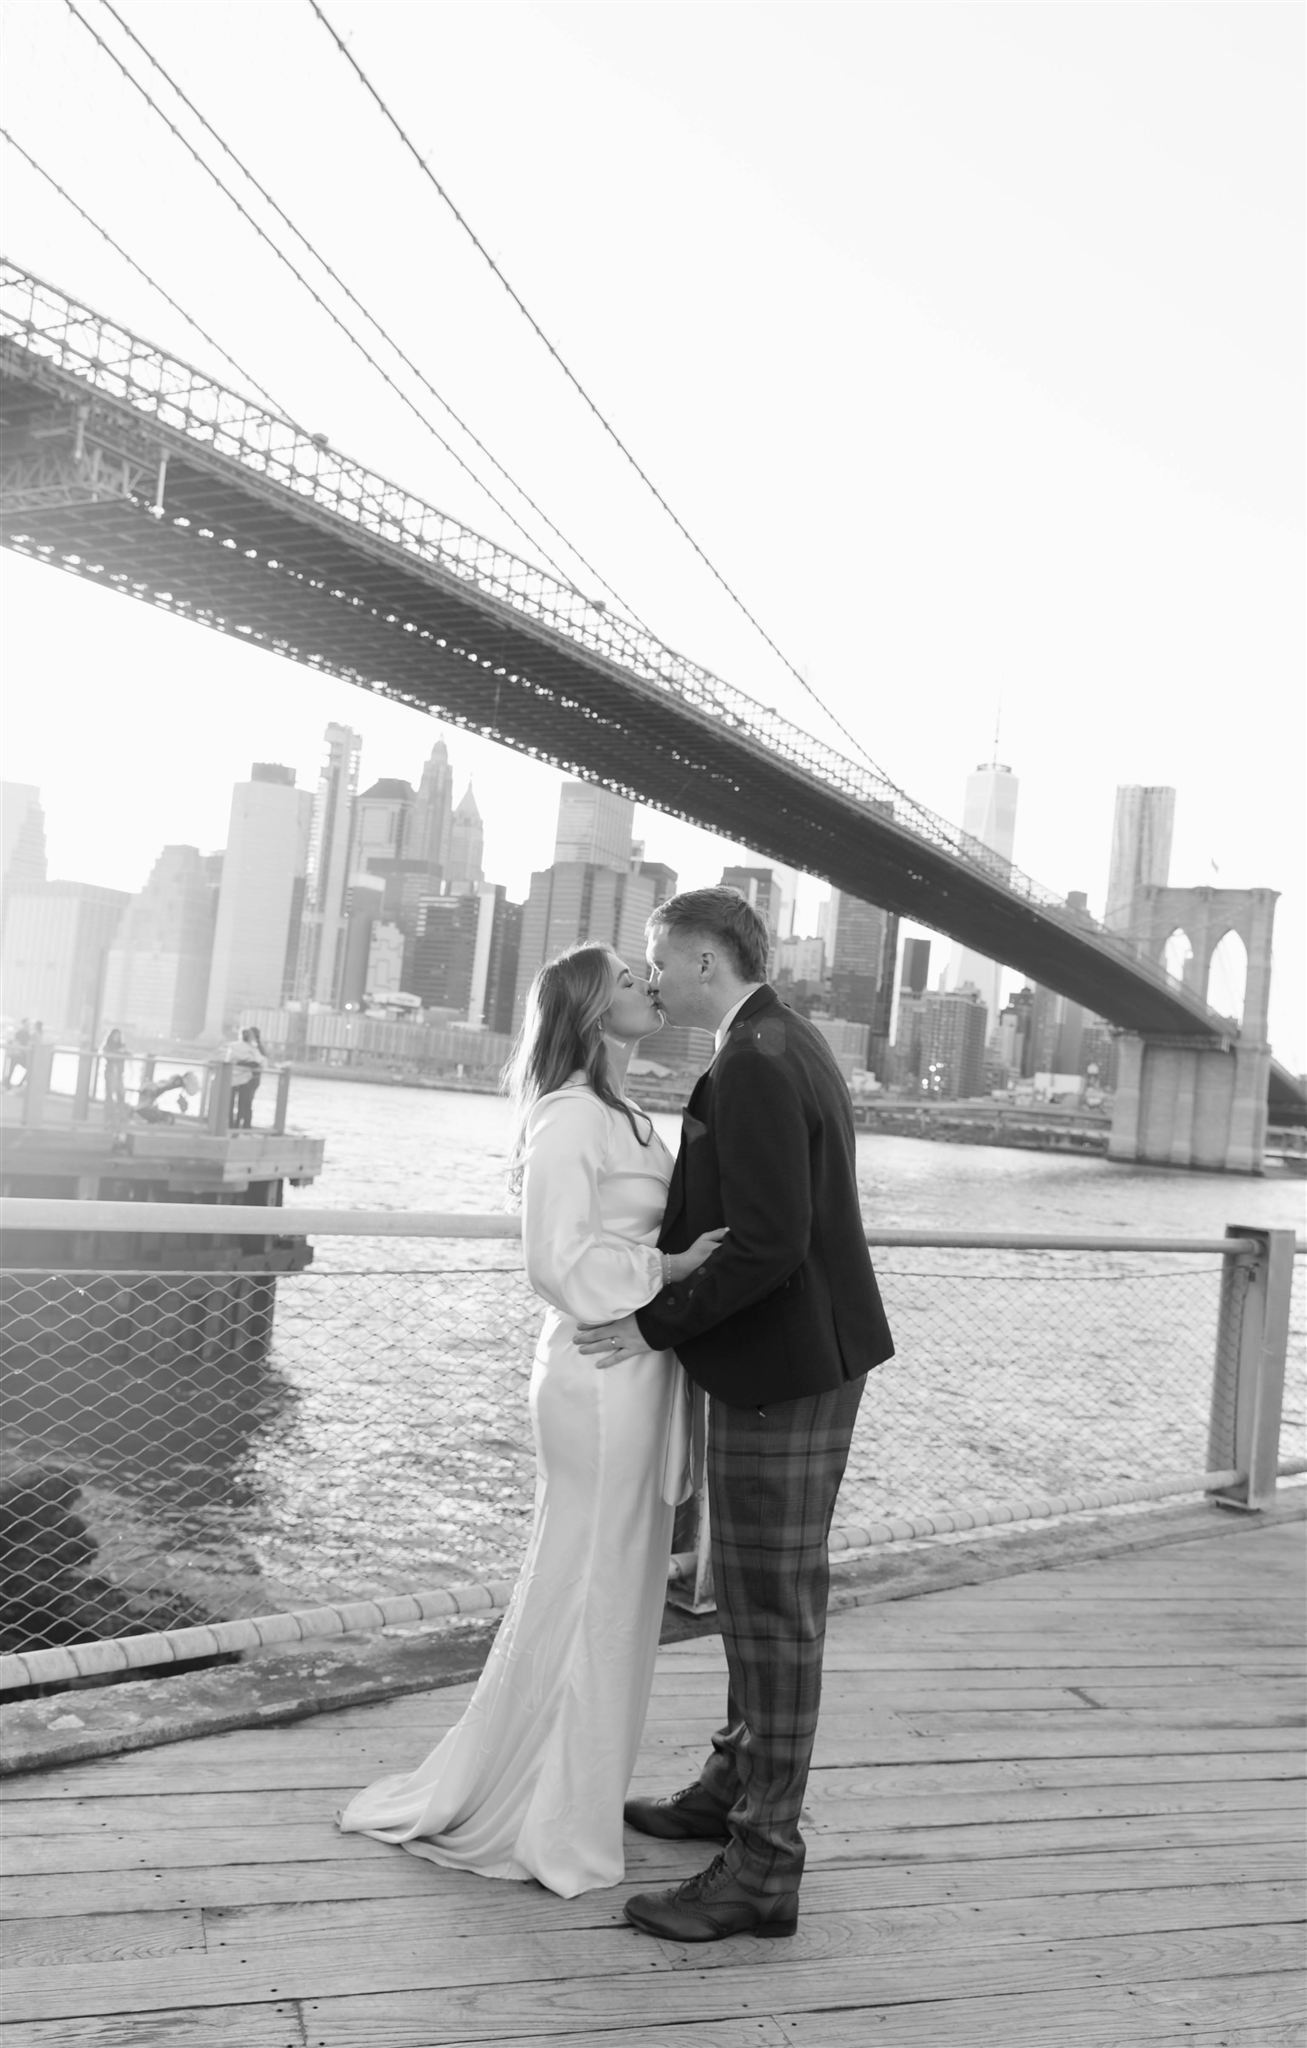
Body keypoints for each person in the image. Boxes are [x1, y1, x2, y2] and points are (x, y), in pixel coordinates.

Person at [338, 943, 726, 1897]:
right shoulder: (567, 1117)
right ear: (594, 1013)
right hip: (596, 1373)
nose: (649, 984)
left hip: (636, 1367)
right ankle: (541, 1816)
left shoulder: (630, 1114)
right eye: (631, 981)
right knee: (591, 1580)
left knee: (623, 1588)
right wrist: (665, 1276)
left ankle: (575, 1802)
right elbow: (552, 1261)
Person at [575, 886, 894, 1942]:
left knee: (772, 1610)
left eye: (659, 960)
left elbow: (766, 1240)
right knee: (757, 1596)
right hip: (795, 1360)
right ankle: (731, 1782)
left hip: (782, 1371)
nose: (651, 976)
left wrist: (656, 1321)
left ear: (705, 959)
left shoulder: (754, 1060)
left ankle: (763, 1861)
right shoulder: (778, 1039)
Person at [228, 1026, 266, 1130]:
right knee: (242, 1103)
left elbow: (258, 1063)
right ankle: (238, 1125)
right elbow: (259, 1062)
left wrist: (241, 1063)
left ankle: (238, 1125)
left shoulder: (253, 1047)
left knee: (242, 1103)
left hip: (246, 1080)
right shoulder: (253, 1048)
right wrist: (248, 1064)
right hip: (244, 1079)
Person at [100, 1027, 128, 1110]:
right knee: (109, 1093)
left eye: (118, 1036)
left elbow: (128, 1054)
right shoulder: (107, 1046)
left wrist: (124, 1052)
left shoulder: (122, 1045)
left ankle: (120, 1112)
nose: (117, 1037)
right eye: (115, 1035)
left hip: (119, 1073)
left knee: (121, 1093)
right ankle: (108, 1113)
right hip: (110, 1072)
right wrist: (118, 1052)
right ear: (111, 1036)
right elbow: (106, 1054)